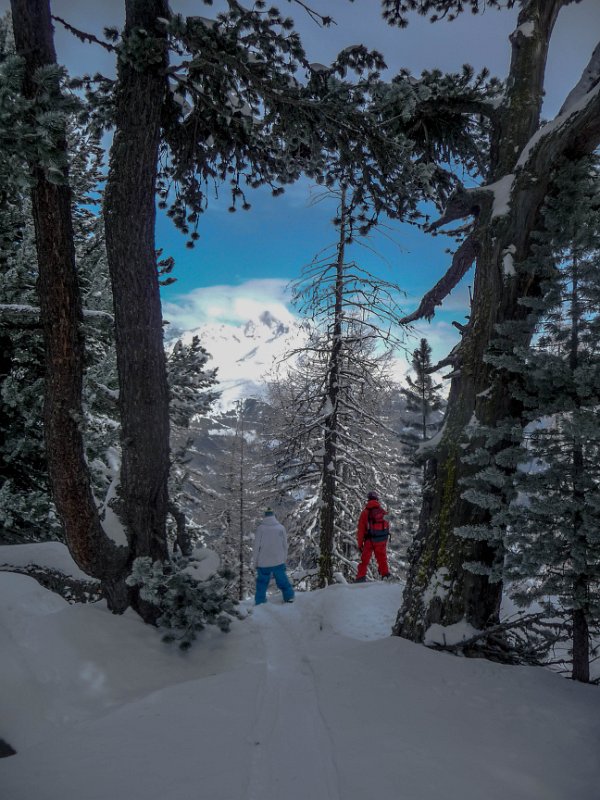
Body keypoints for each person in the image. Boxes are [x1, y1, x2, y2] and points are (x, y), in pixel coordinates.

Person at [252, 508, 295, 605]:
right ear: (273, 515)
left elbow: (256, 547)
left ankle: (260, 601)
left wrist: (255, 562)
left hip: (263, 562)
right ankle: (289, 597)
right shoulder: (281, 528)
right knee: (283, 580)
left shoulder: (261, 529)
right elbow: (285, 546)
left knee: (262, 583)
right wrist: (283, 559)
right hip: (278, 560)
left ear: (265, 515)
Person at [355, 491, 390, 582]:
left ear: (368, 499)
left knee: (364, 560)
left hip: (369, 540)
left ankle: (360, 578)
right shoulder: (382, 511)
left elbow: (361, 530)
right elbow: (387, 526)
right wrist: (384, 540)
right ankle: (385, 575)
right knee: (382, 558)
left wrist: (360, 544)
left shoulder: (365, 512)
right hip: (381, 539)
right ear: (377, 499)